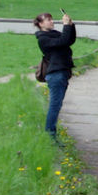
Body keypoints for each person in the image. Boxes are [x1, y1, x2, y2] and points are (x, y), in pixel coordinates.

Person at [33, 11, 76, 142]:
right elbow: (63, 41)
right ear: (40, 24)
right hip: (55, 74)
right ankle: (50, 136)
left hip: (62, 73)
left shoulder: (53, 34)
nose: (51, 21)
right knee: (54, 105)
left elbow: (69, 39)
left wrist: (70, 25)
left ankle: (51, 134)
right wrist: (65, 25)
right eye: (48, 20)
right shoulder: (43, 39)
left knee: (57, 105)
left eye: (51, 19)